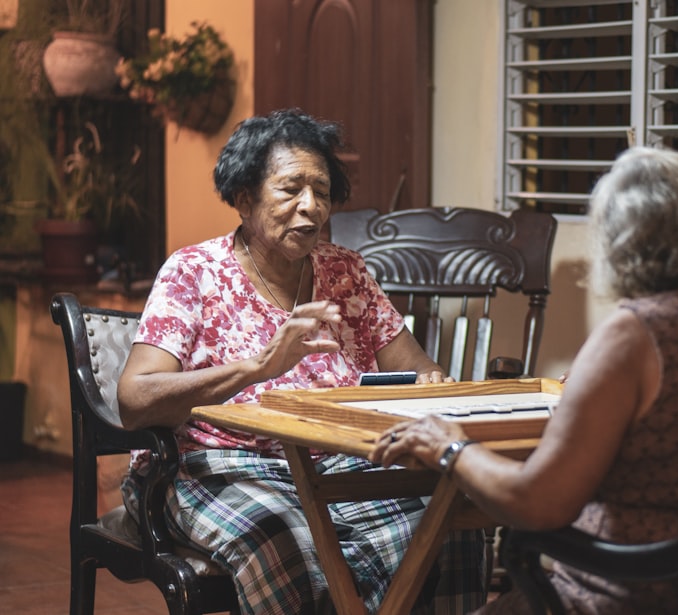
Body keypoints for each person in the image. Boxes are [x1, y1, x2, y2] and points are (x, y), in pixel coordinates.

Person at [370, 146, 678, 614]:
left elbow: (536, 502)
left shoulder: (639, 333)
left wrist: (449, 446)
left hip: (643, 594)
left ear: (623, 245)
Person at [116, 109, 485, 615]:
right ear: (244, 198)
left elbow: (420, 369)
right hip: (212, 465)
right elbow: (135, 401)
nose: (311, 207)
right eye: (291, 189)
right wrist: (259, 367)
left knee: (449, 518)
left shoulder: (345, 270)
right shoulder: (194, 273)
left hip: (336, 460)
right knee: (288, 545)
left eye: (322, 192)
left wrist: (429, 382)